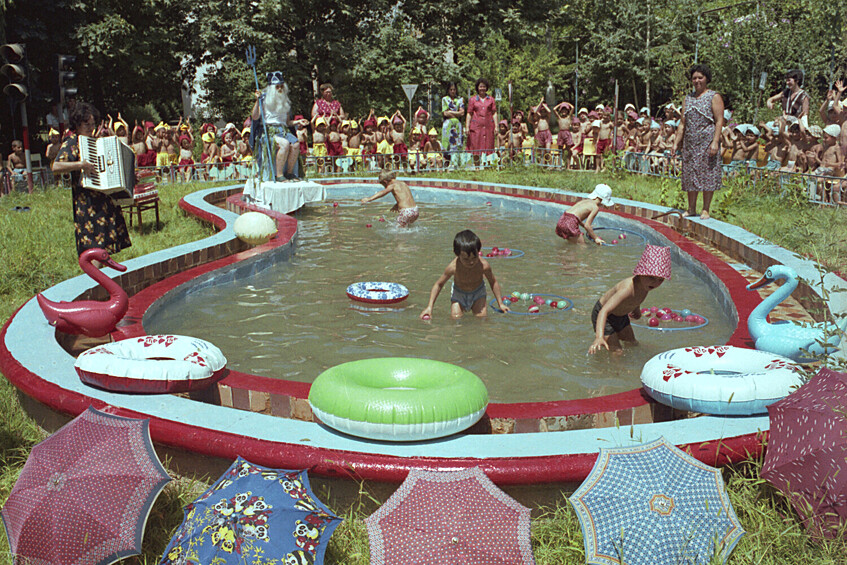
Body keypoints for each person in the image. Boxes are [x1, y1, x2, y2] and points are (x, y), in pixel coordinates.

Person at [52, 101, 131, 257]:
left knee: (105, 245)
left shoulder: (96, 141)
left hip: (102, 199)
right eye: (86, 124)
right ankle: (94, 280)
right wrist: (81, 164)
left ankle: (102, 279)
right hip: (87, 203)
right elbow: (56, 166)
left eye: (93, 124)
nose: (91, 128)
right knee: (94, 246)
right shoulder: (72, 142)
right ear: (77, 124)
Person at [588, 245, 671, 355]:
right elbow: (604, 311)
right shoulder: (627, 289)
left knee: (632, 343)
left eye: (660, 280)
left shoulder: (645, 286)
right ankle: (616, 370)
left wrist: (636, 309)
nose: (655, 283)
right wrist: (599, 337)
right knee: (617, 351)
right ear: (641, 273)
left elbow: (636, 298)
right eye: (651, 278)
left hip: (620, 315)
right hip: (605, 314)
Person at [420, 229, 510, 320]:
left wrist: (500, 303)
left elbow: (493, 282)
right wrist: (429, 307)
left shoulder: (483, 266)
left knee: (481, 319)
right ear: (457, 255)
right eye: (466, 259)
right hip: (459, 294)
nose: (471, 262)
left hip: (478, 293)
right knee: (455, 318)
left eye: (474, 257)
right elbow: (438, 284)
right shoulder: (453, 267)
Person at [673, 64, 724, 219]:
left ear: (706, 79)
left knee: (707, 174)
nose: (697, 81)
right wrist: (676, 143)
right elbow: (682, 123)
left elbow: (719, 121)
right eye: (694, 78)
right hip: (690, 144)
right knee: (690, 174)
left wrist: (715, 142)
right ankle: (691, 208)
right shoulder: (687, 99)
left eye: (700, 77)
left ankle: (706, 209)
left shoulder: (714, 96)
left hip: (707, 142)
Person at [251, 70, 300, 181]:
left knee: (296, 144)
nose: (280, 89)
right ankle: (279, 175)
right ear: (272, 88)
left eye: (281, 86)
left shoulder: (285, 101)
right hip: (269, 130)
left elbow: (287, 122)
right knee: (284, 144)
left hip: (284, 130)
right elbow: (255, 117)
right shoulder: (263, 99)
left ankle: (290, 173)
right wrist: (257, 101)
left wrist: (297, 122)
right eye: (277, 87)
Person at [466, 78, 498, 162]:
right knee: (476, 146)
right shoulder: (473, 100)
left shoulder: (491, 99)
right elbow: (469, 113)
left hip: (488, 126)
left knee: (489, 145)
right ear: (477, 88)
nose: (482, 88)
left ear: (486, 88)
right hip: (476, 127)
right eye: (480, 86)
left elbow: (494, 113)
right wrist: (467, 127)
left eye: (484, 86)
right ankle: (477, 166)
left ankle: (488, 165)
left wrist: (496, 126)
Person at [441, 82, 465, 158]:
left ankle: (455, 162)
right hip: (447, 123)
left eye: (454, 89)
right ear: (448, 90)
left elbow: (462, 113)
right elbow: (445, 113)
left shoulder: (460, 99)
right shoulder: (445, 99)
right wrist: (456, 113)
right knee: (446, 143)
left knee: (457, 143)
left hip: (457, 124)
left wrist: (450, 112)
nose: (452, 91)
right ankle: (446, 162)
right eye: (451, 89)